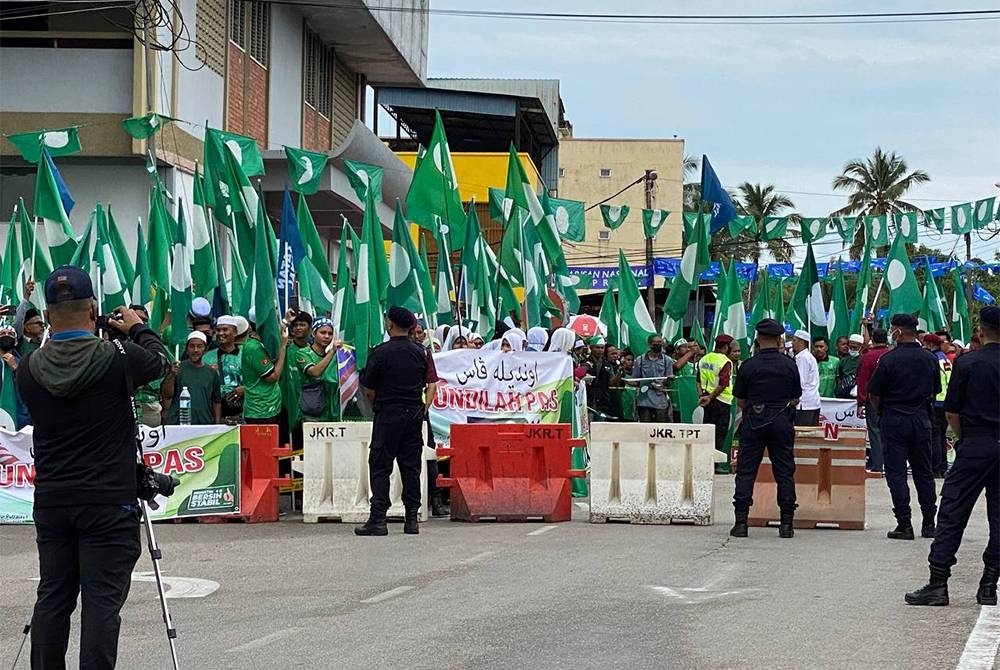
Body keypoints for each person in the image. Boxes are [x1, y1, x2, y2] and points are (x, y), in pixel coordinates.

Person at [17, 266, 169, 669]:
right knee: (101, 604)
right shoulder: (116, 356)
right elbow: (159, 364)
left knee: (53, 596)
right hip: (108, 500)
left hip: (52, 499)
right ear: (94, 311)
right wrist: (137, 328)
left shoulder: (29, 370)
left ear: (48, 315)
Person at [905, 306, 1000, 607]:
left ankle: (938, 582)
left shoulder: (968, 363)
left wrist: (964, 438)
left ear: (981, 332)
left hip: (976, 442)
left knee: (953, 512)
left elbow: (951, 411)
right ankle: (989, 585)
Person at [355, 307, 436, 536]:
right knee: (411, 466)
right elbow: (429, 382)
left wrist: (380, 406)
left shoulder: (380, 353)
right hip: (413, 414)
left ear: (390, 325)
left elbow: (369, 389)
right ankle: (412, 519)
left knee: (380, 464)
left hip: (388, 413)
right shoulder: (421, 353)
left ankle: (378, 519)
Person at [868, 313, 941, 541]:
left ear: (898, 331)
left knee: (897, 473)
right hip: (921, 418)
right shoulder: (929, 358)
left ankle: (904, 523)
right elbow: (935, 389)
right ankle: (929, 524)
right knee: (924, 473)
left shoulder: (889, 360)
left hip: (895, 419)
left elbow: (875, 394)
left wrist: (886, 409)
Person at [730, 319, 802, 539]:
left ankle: (741, 523)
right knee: (784, 472)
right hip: (781, 421)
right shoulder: (789, 364)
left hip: (754, 421)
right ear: (780, 339)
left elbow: (740, 400)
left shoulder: (748, 365)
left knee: (746, 472)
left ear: (757, 340)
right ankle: (787, 525)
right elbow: (795, 397)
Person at [162, 331, 222, 425]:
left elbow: (216, 401)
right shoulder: (177, 369)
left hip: (204, 424)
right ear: (186, 349)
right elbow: (167, 395)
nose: (195, 350)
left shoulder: (212, 372)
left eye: (199, 346)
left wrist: (217, 425)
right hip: (179, 423)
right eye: (192, 346)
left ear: (205, 349)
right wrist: (172, 375)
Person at [241, 313, 289, 429]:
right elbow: (273, 376)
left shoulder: (261, 343)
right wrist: (283, 346)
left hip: (270, 407)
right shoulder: (254, 348)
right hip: (261, 411)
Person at [856, 328, 891, 473]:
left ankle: (878, 465)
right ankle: (890, 464)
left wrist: (861, 402)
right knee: (890, 431)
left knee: (875, 431)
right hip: (892, 398)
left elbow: (863, 381)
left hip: (873, 398)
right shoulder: (892, 354)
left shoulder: (867, 357)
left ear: (873, 340)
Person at [699, 335, 735, 464]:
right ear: (725, 347)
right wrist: (710, 397)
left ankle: (705, 462)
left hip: (706, 400)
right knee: (719, 432)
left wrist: (703, 396)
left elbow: (698, 380)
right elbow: (723, 383)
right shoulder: (725, 361)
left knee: (707, 432)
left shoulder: (704, 359)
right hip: (721, 401)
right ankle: (715, 464)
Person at [296, 318, 340, 422]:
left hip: (329, 412)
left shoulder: (331, 356)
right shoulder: (303, 353)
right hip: (311, 411)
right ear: (314, 334)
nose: (327, 336)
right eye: (323, 332)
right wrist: (332, 351)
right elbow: (315, 372)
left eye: (330, 333)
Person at [203, 316, 244, 424]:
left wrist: (245, 389)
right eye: (218, 330)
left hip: (240, 413)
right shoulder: (207, 357)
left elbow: (256, 382)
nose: (221, 333)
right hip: (213, 412)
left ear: (235, 332)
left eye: (225, 329)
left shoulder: (245, 356)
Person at [923, 333, 952, 477]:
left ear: (931, 345)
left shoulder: (933, 359)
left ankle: (935, 468)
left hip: (937, 402)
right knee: (941, 436)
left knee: (935, 437)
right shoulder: (945, 359)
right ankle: (942, 466)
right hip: (946, 401)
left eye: (925, 344)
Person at [632, 334, 674, 423]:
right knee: (645, 427)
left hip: (660, 399)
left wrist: (667, 380)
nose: (659, 345)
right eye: (656, 343)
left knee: (660, 427)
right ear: (650, 344)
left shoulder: (668, 360)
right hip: (644, 399)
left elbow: (668, 379)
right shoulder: (640, 360)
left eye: (660, 343)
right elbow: (635, 380)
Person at [791, 330, 821, 426]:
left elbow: (800, 382)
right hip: (811, 402)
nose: (792, 343)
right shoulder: (807, 356)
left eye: (794, 340)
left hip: (804, 403)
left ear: (802, 342)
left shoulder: (803, 358)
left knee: (804, 435)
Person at [584, 336, 616, 420]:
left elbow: (611, 383)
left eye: (602, 348)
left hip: (602, 402)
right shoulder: (585, 363)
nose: (600, 350)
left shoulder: (607, 365)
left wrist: (619, 374)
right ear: (591, 348)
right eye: (597, 348)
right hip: (588, 401)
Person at [835, 334, 864, 398]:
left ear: (860, 346)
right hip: (844, 392)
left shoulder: (863, 359)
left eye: (855, 347)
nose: (853, 349)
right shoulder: (843, 360)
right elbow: (840, 376)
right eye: (851, 346)